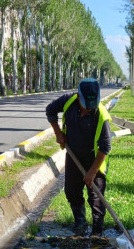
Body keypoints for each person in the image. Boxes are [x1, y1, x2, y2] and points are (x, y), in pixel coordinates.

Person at [46, 78, 112, 236]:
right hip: (73, 155)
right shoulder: (68, 101)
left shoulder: (101, 114)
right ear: (78, 96)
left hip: (95, 159)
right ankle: (80, 223)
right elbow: (50, 110)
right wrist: (58, 133)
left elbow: (105, 147)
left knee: (96, 198)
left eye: (92, 106)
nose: (89, 109)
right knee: (71, 191)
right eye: (86, 106)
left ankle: (97, 233)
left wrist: (92, 172)